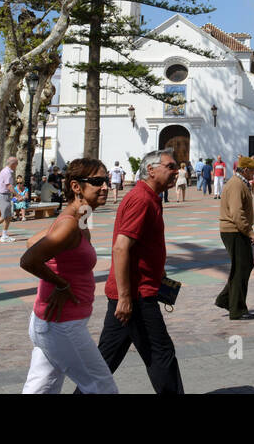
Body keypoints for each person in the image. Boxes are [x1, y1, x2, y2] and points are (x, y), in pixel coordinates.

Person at [20, 158, 118, 394]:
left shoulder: (79, 218)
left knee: (41, 387)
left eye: (105, 180)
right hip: (61, 324)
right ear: (76, 187)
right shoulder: (70, 224)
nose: (105, 186)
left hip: (54, 323)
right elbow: (29, 259)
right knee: (102, 387)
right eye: (96, 182)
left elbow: (33, 241)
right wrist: (61, 285)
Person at [91, 151, 185, 394]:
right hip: (136, 296)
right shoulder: (142, 199)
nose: (176, 170)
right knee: (161, 354)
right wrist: (124, 298)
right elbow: (121, 247)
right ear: (151, 170)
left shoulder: (151, 197)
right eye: (170, 166)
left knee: (105, 361)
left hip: (133, 293)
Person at [216, 156, 254, 320]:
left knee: (244, 266)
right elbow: (237, 213)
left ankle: (227, 299)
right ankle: (237, 309)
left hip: (236, 231)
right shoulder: (236, 185)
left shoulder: (241, 183)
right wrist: (250, 232)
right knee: (240, 269)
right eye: (253, 170)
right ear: (246, 170)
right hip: (233, 231)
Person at [0, 156, 18, 243]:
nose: (17, 166)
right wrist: (17, 195)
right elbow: (9, 186)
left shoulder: (6, 171)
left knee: (7, 216)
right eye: (16, 164)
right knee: (6, 215)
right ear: (13, 164)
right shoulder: (7, 172)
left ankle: (1, 234)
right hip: (3, 195)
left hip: (3, 195)